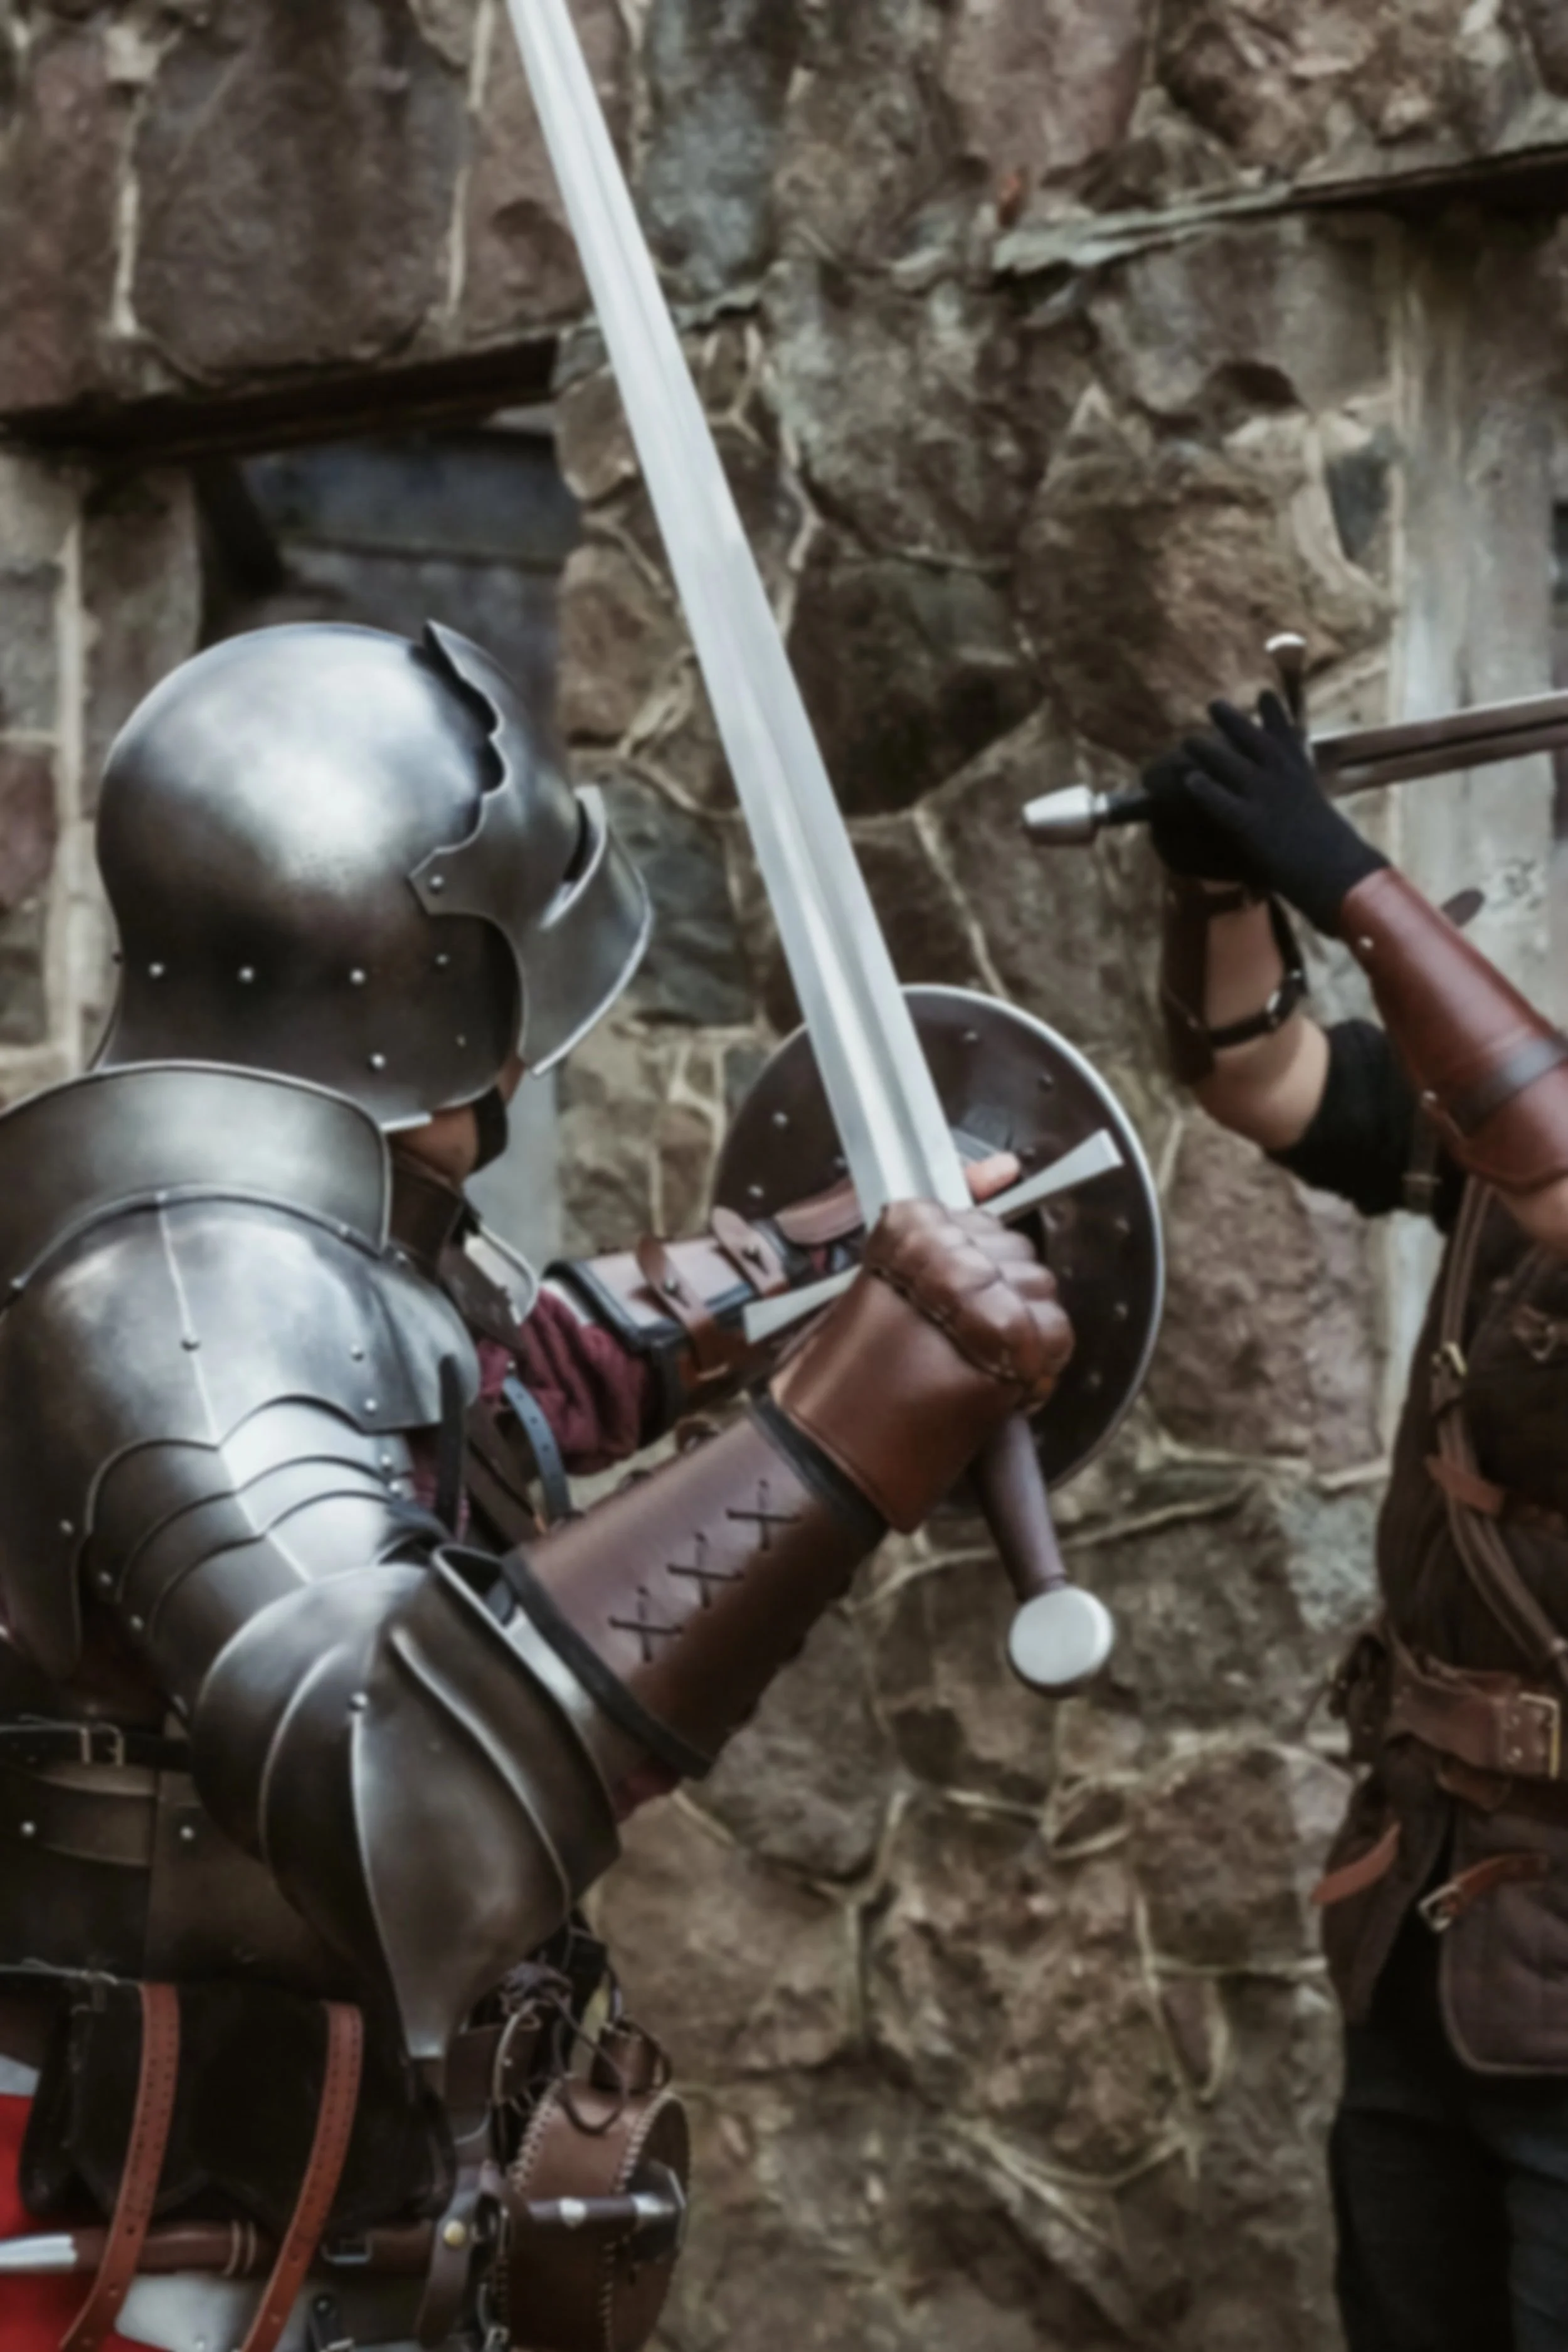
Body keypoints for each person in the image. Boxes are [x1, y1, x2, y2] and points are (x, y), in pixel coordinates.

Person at [0, 621, 1074, 2352]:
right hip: (167, 2271)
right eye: (504, 1002)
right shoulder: (185, 1296)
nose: (519, 1070)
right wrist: (847, 1428)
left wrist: (801, 1272)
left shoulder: (318, 1246)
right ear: (419, 984)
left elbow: (492, 1392)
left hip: (338, 2223)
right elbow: (399, 1791)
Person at [1145, 690, 1568, 2351]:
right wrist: (1221, 888)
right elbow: (1264, 1075)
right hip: (1433, 1904)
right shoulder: (1504, 1124)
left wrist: (1343, 876)